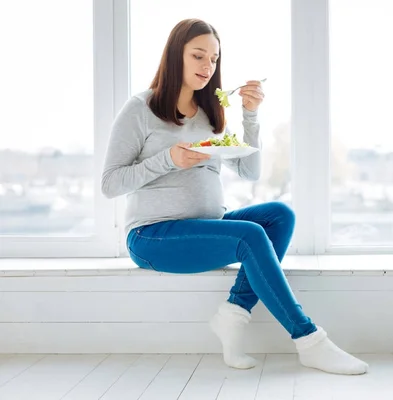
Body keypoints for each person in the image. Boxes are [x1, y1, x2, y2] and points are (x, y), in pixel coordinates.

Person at [101, 18, 368, 375]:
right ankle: (309, 340)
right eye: (198, 56)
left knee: (279, 215)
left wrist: (251, 115)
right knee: (251, 234)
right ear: (174, 56)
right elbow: (110, 183)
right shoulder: (141, 108)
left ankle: (234, 314)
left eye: (214, 58)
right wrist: (168, 159)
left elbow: (250, 172)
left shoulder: (210, 112)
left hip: (205, 225)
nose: (207, 66)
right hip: (152, 236)